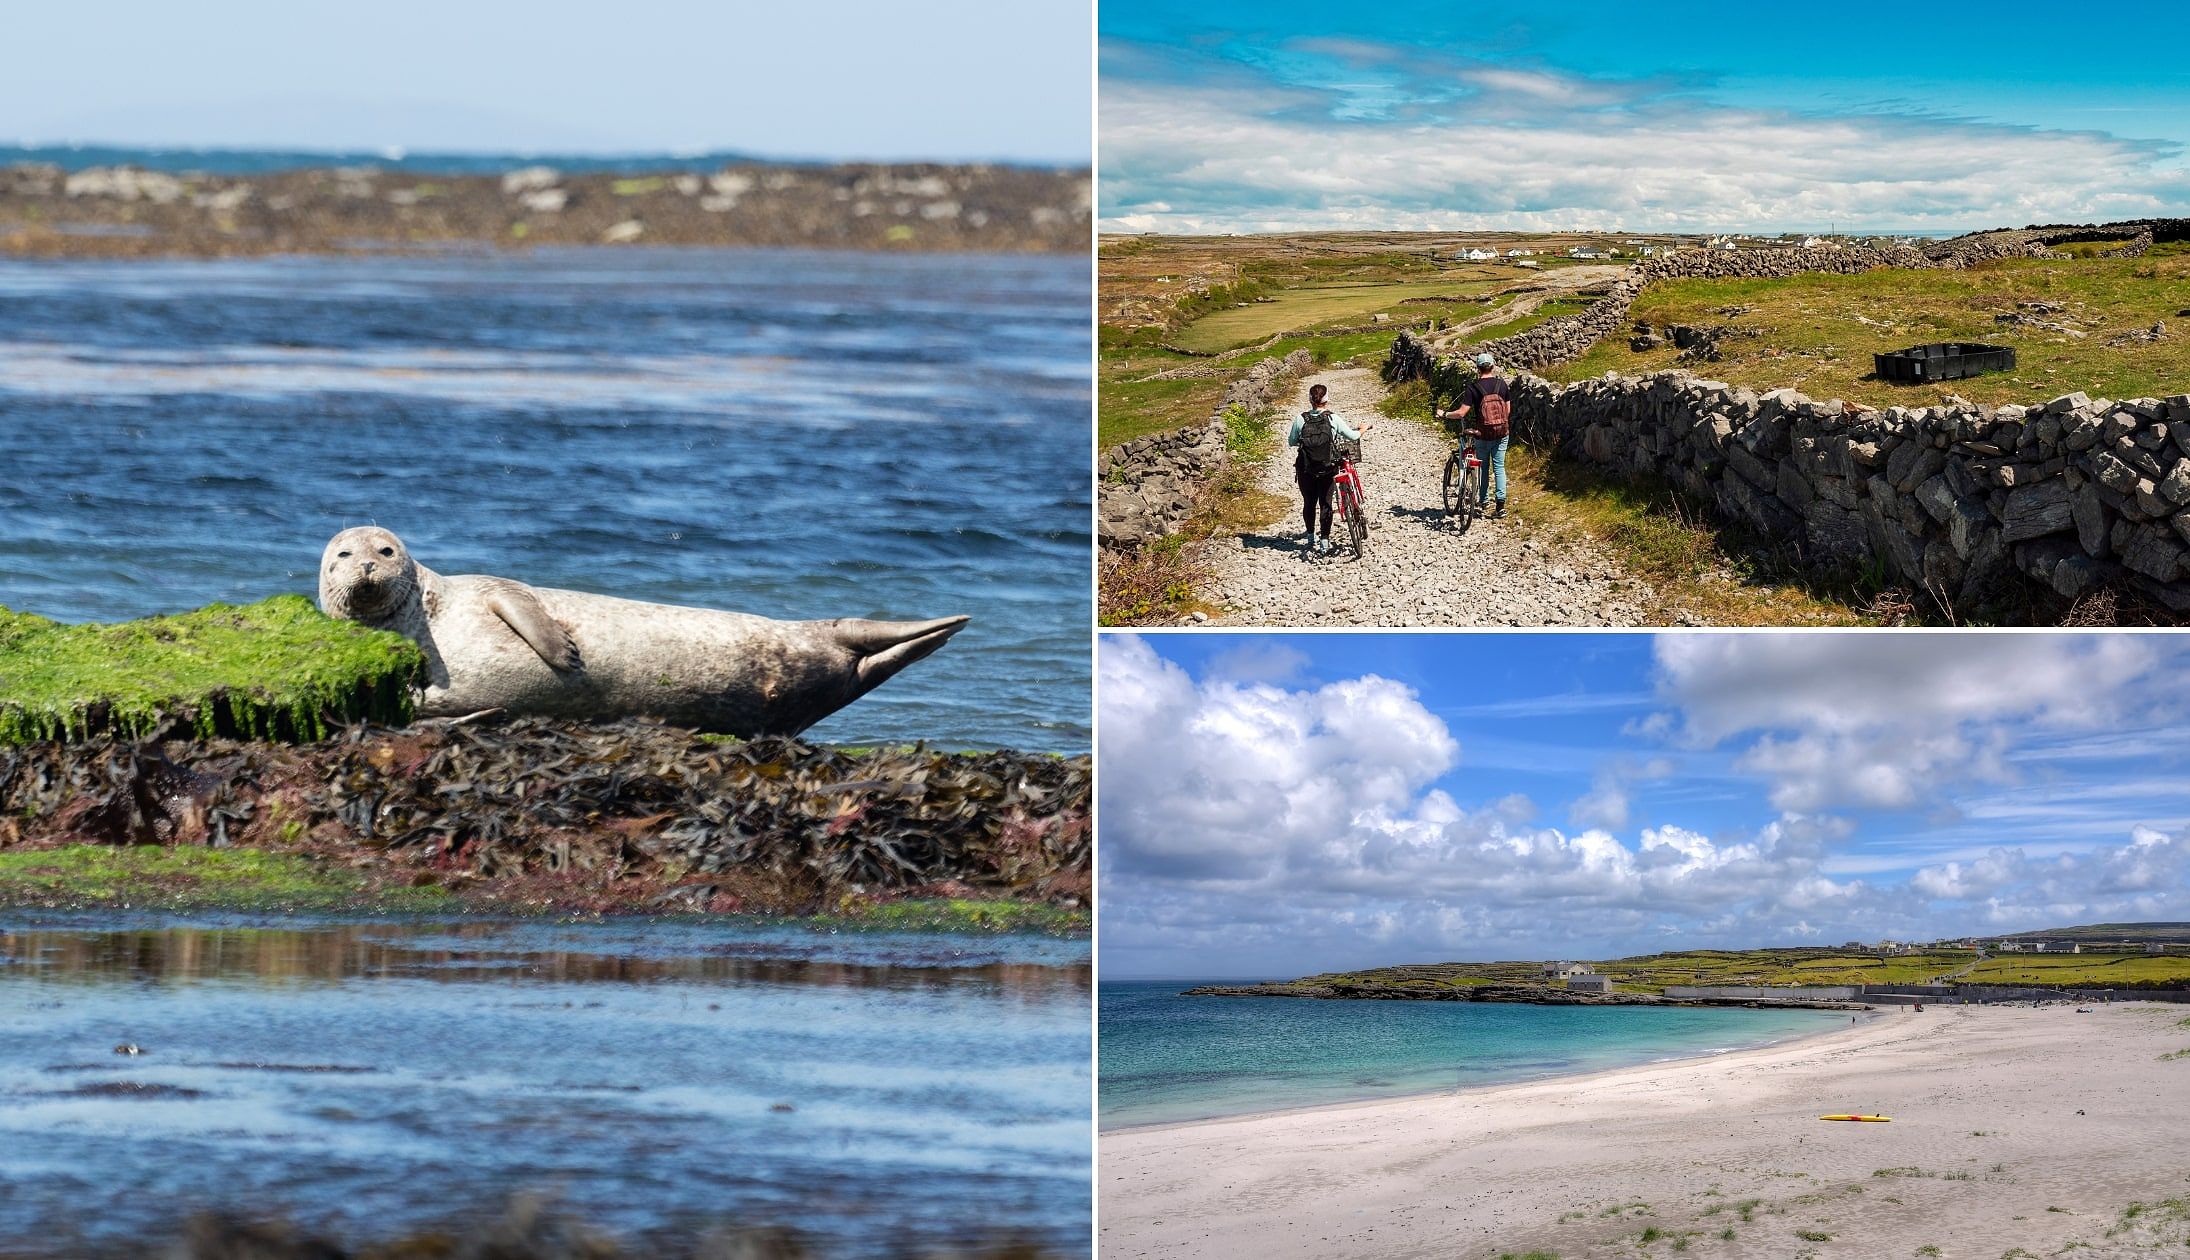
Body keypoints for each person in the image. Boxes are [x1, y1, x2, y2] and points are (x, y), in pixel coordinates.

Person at [1287, 382, 1368, 554]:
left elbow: (1291, 441)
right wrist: (1363, 429)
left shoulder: (1300, 419)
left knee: (1309, 503)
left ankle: (1310, 537)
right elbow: (1352, 436)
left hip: (1305, 468)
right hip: (1327, 467)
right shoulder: (1333, 418)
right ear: (1327, 399)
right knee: (1326, 504)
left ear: (1310, 399)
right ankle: (1324, 541)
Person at [1433, 353, 1512, 518]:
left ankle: (1483, 501)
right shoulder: (1502, 385)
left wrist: (1444, 414)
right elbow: (1507, 411)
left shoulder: (1474, 387)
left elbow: (1462, 413)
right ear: (1492, 366)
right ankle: (1500, 505)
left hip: (1482, 433)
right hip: (1502, 432)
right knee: (1499, 466)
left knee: (1483, 466)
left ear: (1478, 368)